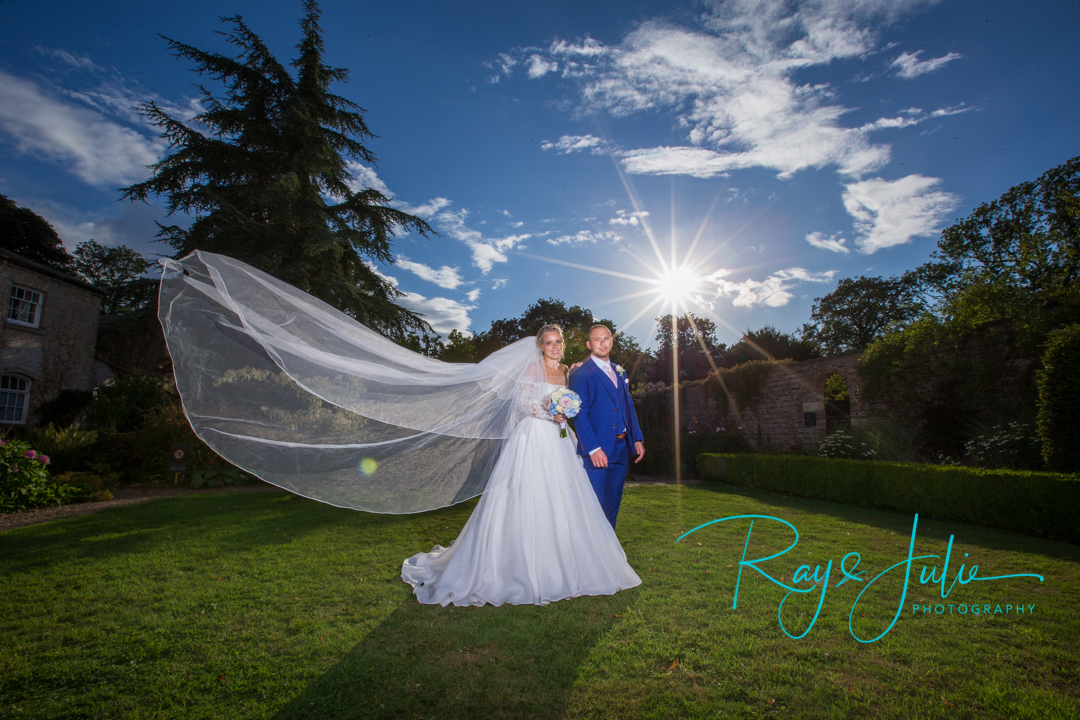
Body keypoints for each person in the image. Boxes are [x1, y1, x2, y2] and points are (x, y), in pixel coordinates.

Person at [400, 325, 642, 606]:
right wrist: (551, 414)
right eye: (549, 342)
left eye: (558, 342)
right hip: (534, 436)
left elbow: (575, 402)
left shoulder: (567, 371)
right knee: (527, 495)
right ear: (540, 345)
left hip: (561, 438)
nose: (554, 346)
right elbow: (523, 404)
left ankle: (569, 556)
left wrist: (564, 410)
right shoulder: (531, 368)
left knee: (567, 497)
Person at [568, 324, 645, 529]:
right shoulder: (580, 373)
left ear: (611, 341)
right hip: (598, 450)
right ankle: (588, 556)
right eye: (597, 339)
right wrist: (593, 448)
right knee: (594, 506)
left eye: (606, 338)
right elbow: (579, 413)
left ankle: (608, 556)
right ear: (588, 344)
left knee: (612, 507)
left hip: (621, 448)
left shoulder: (620, 371)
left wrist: (637, 438)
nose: (602, 343)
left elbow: (627, 406)